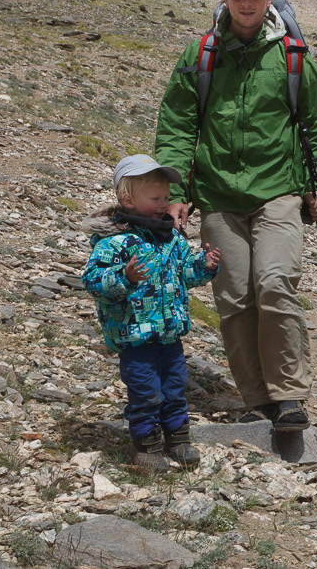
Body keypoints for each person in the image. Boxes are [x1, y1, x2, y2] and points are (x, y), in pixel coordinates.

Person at [154, 0, 317, 432]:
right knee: (235, 299)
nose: (247, 3)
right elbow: (177, 124)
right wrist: (175, 189)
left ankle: (290, 396)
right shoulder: (201, 54)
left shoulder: (293, 56)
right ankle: (257, 399)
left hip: (279, 190)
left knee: (274, 284)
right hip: (216, 193)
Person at [82, 154, 220, 468]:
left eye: (166, 197)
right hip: (134, 336)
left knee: (174, 385)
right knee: (145, 390)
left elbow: (187, 273)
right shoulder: (114, 243)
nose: (163, 204)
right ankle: (145, 445)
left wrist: (205, 265)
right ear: (127, 199)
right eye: (155, 198)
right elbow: (93, 281)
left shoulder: (170, 237)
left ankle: (179, 438)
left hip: (169, 333)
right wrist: (125, 278)